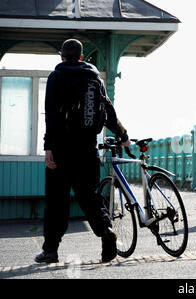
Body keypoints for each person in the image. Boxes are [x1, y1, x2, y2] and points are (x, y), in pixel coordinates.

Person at [35, 39, 131, 264]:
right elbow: (108, 111)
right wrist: (123, 135)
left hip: (61, 150)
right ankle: (106, 234)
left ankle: (50, 251)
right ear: (80, 57)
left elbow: (51, 115)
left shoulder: (56, 77)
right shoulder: (94, 79)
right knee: (90, 198)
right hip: (88, 149)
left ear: (62, 56)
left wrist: (48, 147)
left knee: (57, 202)